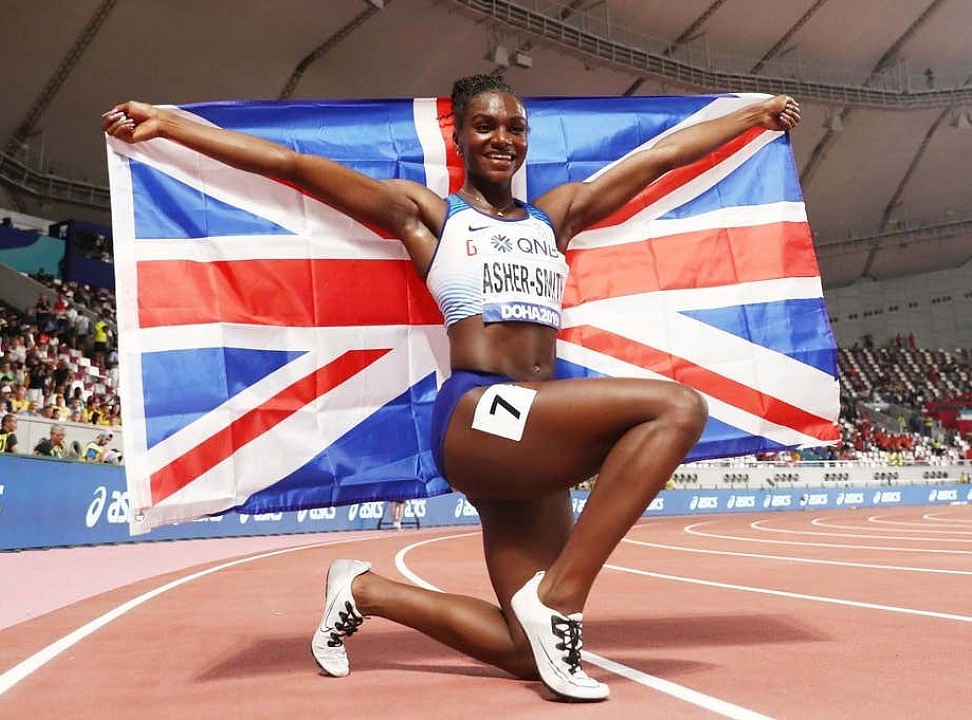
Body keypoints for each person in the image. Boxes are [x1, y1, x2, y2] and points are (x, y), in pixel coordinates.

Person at [103, 77, 800, 702]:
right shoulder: (431, 216)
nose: (503, 138)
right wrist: (172, 125)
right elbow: (294, 166)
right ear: (459, 136)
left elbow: (659, 159)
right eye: (485, 126)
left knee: (523, 653)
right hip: (478, 414)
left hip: (536, 433)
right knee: (677, 407)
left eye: (515, 128)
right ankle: (560, 599)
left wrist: (752, 117)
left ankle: (365, 590)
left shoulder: (553, 218)